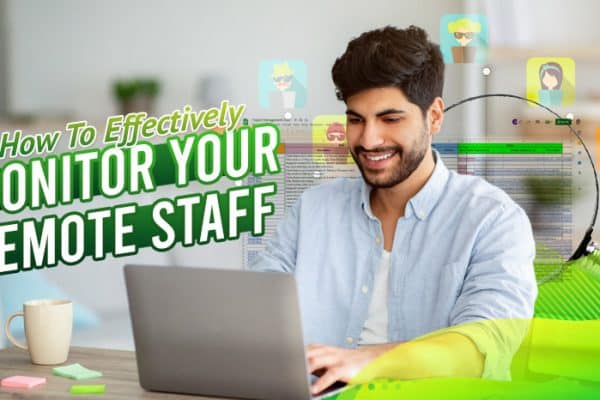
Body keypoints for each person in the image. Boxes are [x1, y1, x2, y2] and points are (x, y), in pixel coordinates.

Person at [249, 25, 537, 395]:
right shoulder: (313, 210)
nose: (368, 140)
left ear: (433, 117)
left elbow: (480, 349)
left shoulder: (493, 219)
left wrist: (367, 360)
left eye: (390, 119)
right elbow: (255, 316)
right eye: (356, 120)